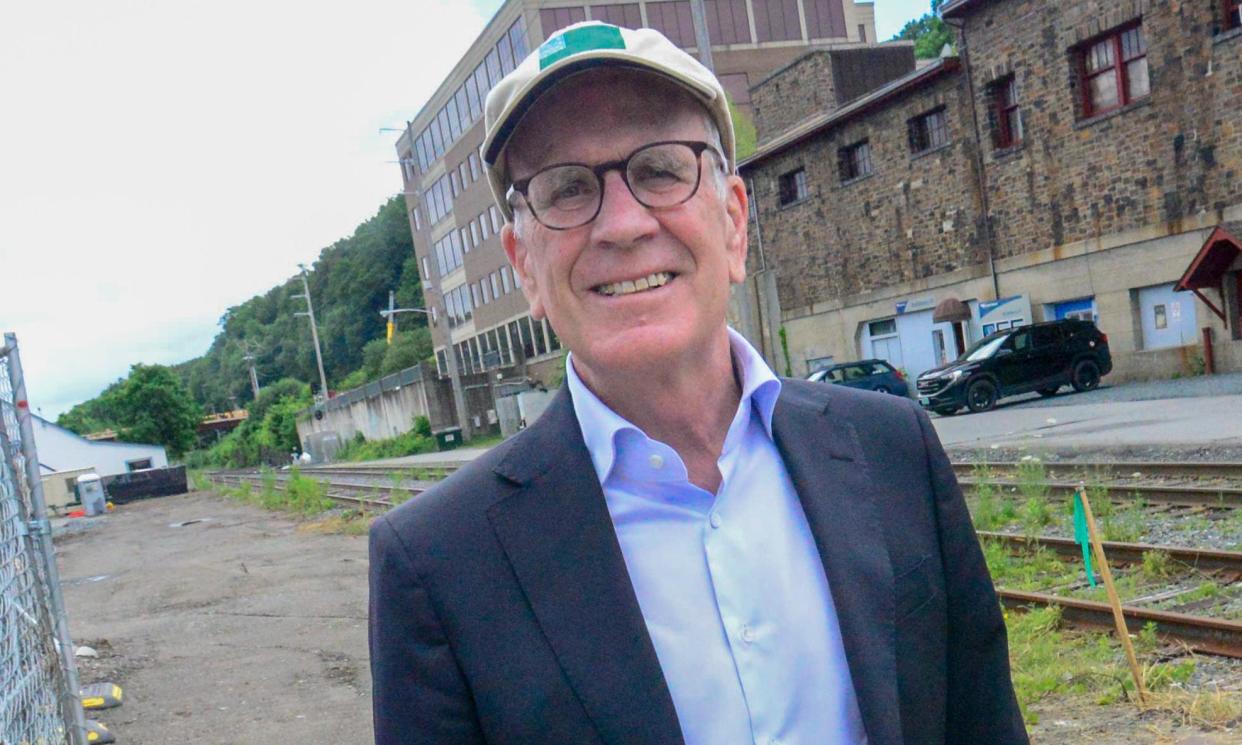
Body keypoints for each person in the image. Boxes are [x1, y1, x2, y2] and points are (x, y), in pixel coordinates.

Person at [369, 21, 1028, 745]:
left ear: (735, 222)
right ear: (524, 262)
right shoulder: (438, 563)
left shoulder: (891, 449)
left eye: (659, 170)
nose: (621, 224)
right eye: (565, 188)